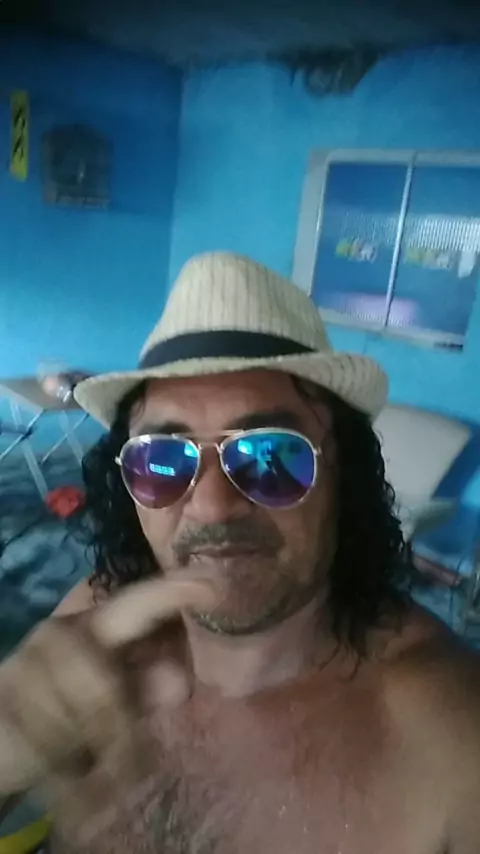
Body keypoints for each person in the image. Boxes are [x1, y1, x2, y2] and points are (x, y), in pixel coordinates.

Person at [0, 252, 479, 854]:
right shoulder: (95, 628)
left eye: (270, 456)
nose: (211, 507)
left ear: (341, 475)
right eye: (163, 459)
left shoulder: (448, 728)